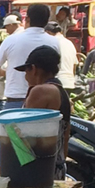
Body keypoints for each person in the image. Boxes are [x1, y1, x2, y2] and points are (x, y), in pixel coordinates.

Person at [0, 3, 54, 110]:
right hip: (44, 100)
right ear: (47, 20)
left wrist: (8, 73)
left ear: (27, 19)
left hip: (15, 98)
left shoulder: (11, 40)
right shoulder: (54, 42)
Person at [19, 45, 71, 174]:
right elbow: (66, 136)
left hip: (39, 166)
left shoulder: (41, 91)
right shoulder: (60, 90)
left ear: (33, 69)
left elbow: (25, 131)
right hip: (56, 164)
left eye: (26, 71)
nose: (25, 76)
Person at [46, 22, 78, 90]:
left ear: (48, 32)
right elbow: (74, 66)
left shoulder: (51, 43)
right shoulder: (69, 43)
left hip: (56, 83)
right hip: (70, 83)